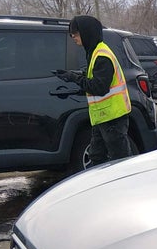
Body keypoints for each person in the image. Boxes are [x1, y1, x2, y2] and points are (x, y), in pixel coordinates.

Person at [53, 15, 132, 166]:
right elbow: (93, 78)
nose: (73, 37)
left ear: (86, 32)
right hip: (102, 117)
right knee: (96, 157)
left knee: (120, 161)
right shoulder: (94, 52)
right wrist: (72, 76)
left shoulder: (102, 56)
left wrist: (74, 78)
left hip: (113, 119)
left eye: (75, 34)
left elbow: (99, 87)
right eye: (72, 34)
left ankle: (124, 187)